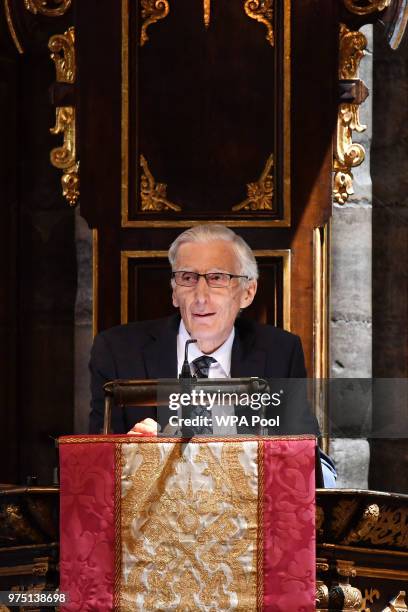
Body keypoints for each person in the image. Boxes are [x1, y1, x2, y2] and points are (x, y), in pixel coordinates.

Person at [89, 224, 336, 485]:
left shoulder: (280, 353)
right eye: (188, 278)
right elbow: (93, 467)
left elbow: (310, 463)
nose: (201, 297)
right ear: (174, 292)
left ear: (247, 293)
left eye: (217, 278)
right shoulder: (117, 351)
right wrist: (127, 454)